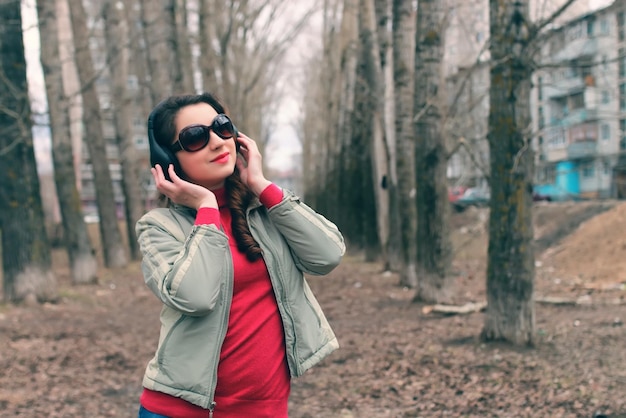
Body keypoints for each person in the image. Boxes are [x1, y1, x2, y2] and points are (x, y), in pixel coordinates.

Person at [136, 92, 345, 418]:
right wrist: (206, 208)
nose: (218, 142)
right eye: (195, 137)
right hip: (182, 410)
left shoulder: (266, 211)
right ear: (170, 160)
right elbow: (197, 296)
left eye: (222, 127)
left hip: (264, 409)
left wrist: (261, 184)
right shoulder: (159, 227)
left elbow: (328, 255)